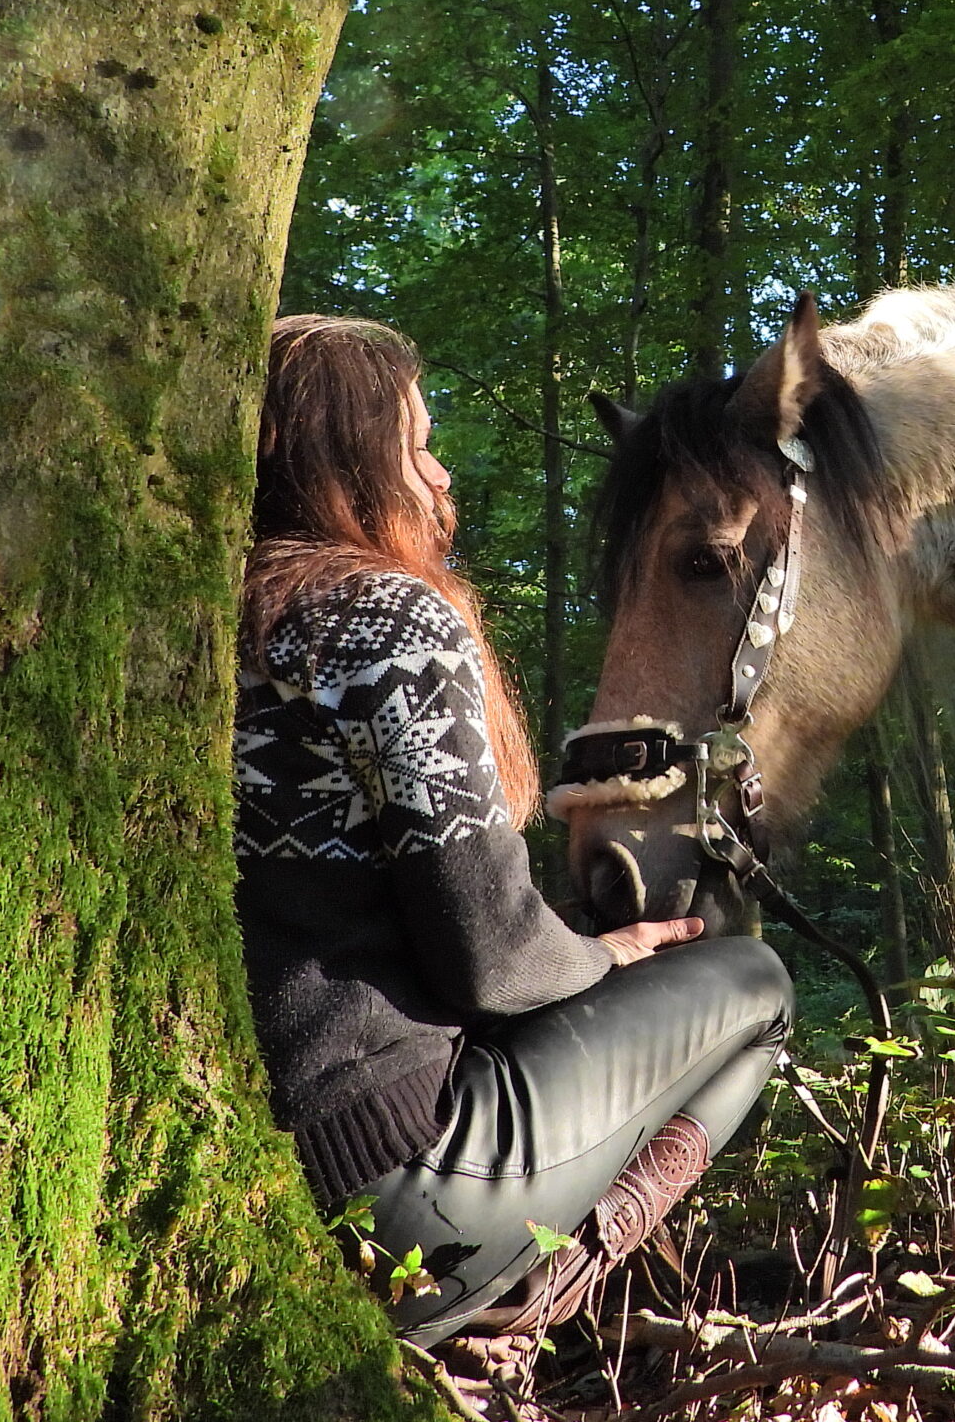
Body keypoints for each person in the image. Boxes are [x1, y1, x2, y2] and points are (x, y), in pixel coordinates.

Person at [232, 314, 794, 1406]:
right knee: (756, 987)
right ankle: (517, 1310)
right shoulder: (384, 619)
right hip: (402, 1182)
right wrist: (607, 957)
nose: (442, 478)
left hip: (265, 1164)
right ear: (343, 460)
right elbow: (489, 959)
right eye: (417, 444)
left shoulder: (223, 623)